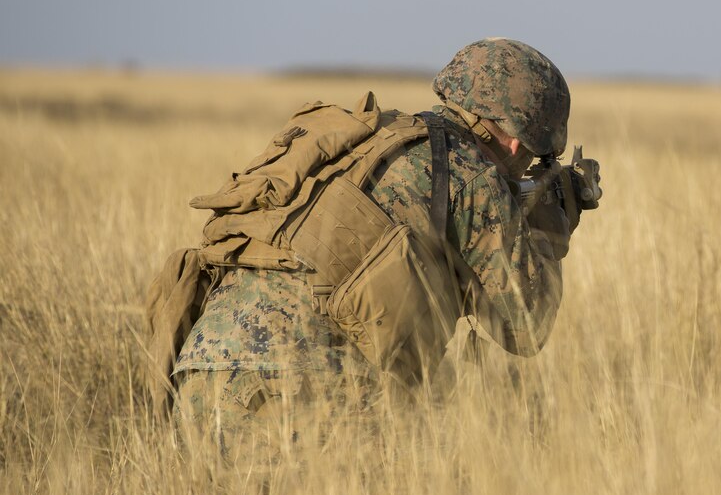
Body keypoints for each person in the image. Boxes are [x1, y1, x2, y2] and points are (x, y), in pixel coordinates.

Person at [156, 38, 582, 465]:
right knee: (458, 478)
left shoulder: (366, 140)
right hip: (299, 392)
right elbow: (526, 327)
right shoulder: (472, 174)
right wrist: (549, 232)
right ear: (515, 140)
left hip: (197, 384)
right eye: (533, 157)